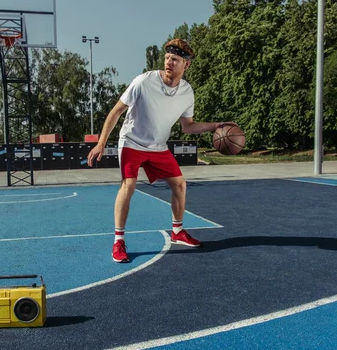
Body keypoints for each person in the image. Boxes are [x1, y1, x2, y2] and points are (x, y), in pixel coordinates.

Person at [87, 38, 236, 263]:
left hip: (157, 147)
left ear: (186, 65)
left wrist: (215, 126)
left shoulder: (187, 92)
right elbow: (116, 111)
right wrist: (101, 143)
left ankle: (177, 232)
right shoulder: (143, 82)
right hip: (132, 142)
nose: (169, 63)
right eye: (167, 58)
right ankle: (118, 241)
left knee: (180, 184)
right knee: (128, 186)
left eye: (175, 60)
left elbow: (188, 127)